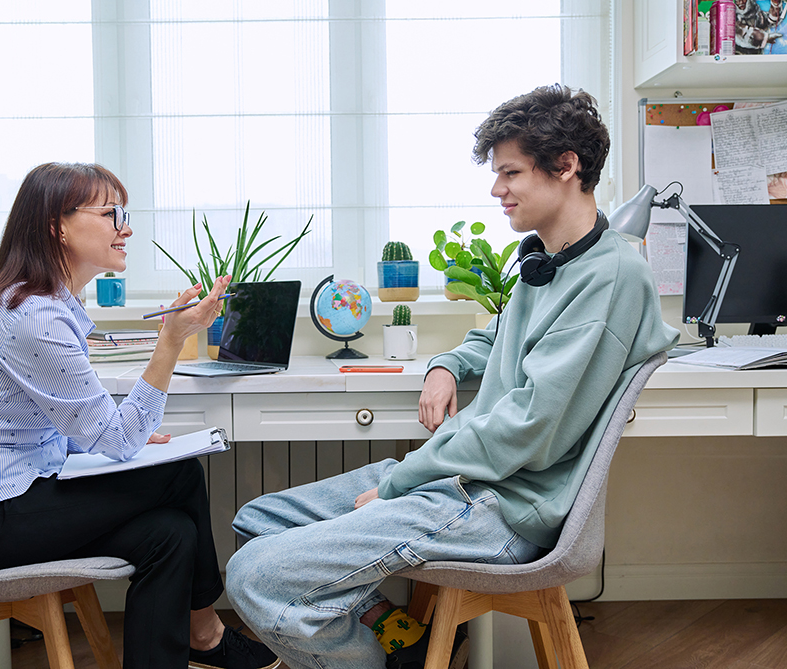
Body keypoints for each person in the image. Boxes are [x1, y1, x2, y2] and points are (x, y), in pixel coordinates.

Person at [224, 84, 680, 669]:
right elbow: (496, 338)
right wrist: (446, 364)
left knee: (256, 576)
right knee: (257, 521)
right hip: (468, 481)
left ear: (566, 166)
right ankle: (400, 642)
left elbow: (530, 427)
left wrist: (398, 483)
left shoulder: (610, 276)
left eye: (510, 173)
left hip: (504, 503)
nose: (497, 190)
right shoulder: (551, 261)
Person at [0, 162, 280, 669]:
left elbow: (51, 426)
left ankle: (198, 641)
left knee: (170, 533)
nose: (125, 227)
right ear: (56, 226)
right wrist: (171, 341)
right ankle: (208, 634)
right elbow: (119, 437)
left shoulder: (42, 303)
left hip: (7, 494)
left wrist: (114, 439)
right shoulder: (34, 315)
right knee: (179, 474)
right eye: (111, 213)